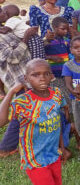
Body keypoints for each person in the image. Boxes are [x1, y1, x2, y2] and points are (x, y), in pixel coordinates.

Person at [0, 60, 67, 185]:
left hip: (54, 154)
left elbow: (56, 122)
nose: (42, 78)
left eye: (46, 74)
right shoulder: (23, 102)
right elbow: (1, 121)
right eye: (35, 75)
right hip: (35, 159)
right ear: (26, 78)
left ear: (52, 76)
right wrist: (11, 92)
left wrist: (62, 147)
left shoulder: (56, 93)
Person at [0, 23, 36, 157]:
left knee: (26, 113)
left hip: (27, 78)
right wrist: (26, 37)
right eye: (3, 12)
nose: (5, 14)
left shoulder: (6, 31)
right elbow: (12, 57)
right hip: (19, 81)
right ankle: (5, 147)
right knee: (20, 114)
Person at [44, 17, 71, 103]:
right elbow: (41, 55)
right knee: (57, 90)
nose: (66, 31)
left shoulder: (66, 41)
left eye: (67, 29)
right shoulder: (48, 41)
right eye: (63, 29)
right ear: (55, 28)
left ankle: (68, 108)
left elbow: (70, 54)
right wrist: (52, 57)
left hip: (65, 71)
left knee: (66, 89)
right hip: (53, 72)